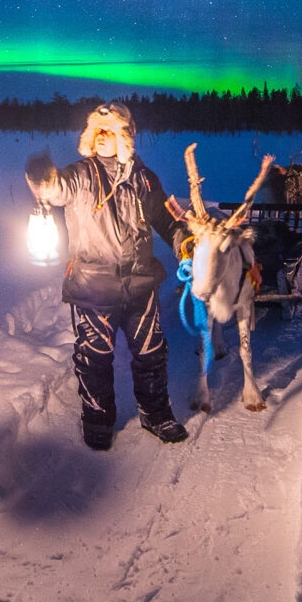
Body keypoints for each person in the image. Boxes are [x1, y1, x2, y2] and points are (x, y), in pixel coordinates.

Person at [25, 102, 191, 451]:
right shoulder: (81, 175)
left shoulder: (144, 178)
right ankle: (98, 419)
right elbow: (58, 189)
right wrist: (44, 180)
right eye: (97, 132)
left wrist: (184, 242)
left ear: (126, 136)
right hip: (93, 285)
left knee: (150, 351)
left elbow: (166, 218)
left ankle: (156, 413)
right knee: (95, 355)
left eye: (110, 131)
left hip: (140, 283)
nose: (102, 138)